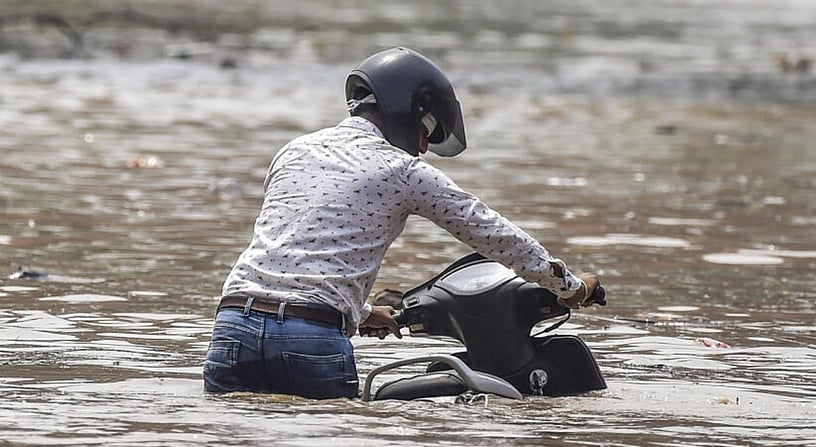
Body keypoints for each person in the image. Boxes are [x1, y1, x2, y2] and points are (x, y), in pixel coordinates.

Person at [203, 47, 602, 399]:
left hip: (233, 326)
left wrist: (360, 313)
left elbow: (297, 251)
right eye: (425, 132)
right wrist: (567, 288)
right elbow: (490, 232)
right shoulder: (403, 170)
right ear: (405, 110)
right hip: (311, 337)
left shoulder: (294, 149)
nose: (424, 146)